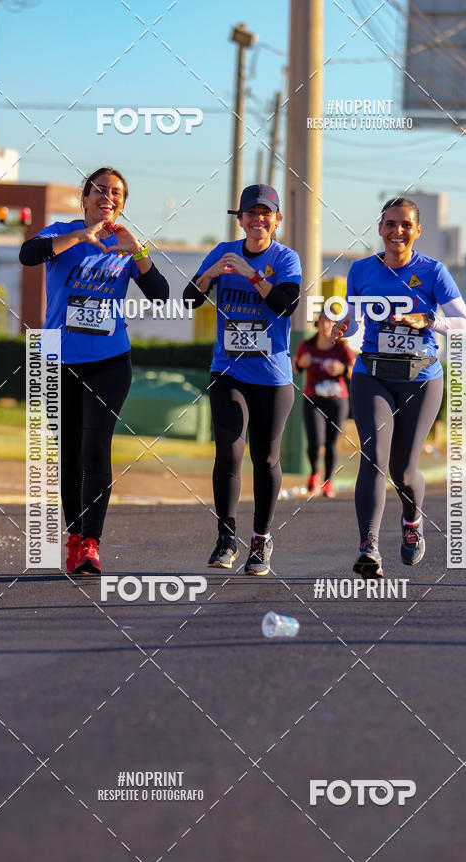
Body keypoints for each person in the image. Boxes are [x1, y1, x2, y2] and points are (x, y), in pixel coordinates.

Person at [20, 166, 169, 575]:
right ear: (84, 198)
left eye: (117, 193)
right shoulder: (61, 232)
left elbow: (160, 295)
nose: (108, 196)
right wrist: (80, 237)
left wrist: (136, 250)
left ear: (122, 204)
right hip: (55, 357)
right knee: (68, 452)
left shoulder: (124, 244)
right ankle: (74, 532)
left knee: (94, 447)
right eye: (100, 190)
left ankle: (91, 542)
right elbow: (28, 255)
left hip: (109, 360)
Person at [333, 197, 466, 578]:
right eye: (391, 224)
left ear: (417, 231)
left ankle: (412, 521)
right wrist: (345, 324)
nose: (398, 232)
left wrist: (428, 319)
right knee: (373, 458)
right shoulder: (361, 270)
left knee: (403, 469)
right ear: (380, 228)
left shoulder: (432, 272)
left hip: (421, 379)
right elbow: (356, 317)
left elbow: (465, 325)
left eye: (406, 225)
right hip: (371, 374)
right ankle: (369, 548)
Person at [183, 184, 301, 575]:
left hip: (272, 375)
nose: (257, 220)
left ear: (276, 219)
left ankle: (262, 539)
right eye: (250, 213)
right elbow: (188, 299)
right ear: (241, 219)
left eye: (265, 213)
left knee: (264, 458)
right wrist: (210, 274)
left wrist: (252, 275)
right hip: (228, 369)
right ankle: (225, 537)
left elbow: (285, 306)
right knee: (229, 453)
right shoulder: (222, 252)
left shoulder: (286, 259)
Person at [293, 311, 354, 498]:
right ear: (317, 323)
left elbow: (354, 371)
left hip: (337, 400)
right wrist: (301, 362)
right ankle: (314, 474)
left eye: (330, 322)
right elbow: (295, 366)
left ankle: (328, 481)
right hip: (313, 397)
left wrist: (342, 368)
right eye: (323, 321)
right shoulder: (307, 345)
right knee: (314, 440)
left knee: (331, 442)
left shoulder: (342, 348)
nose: (326, 325)